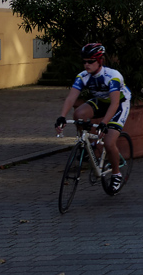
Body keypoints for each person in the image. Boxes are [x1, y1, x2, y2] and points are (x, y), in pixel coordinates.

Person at [55, 43, 132, 193]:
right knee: (79, 114)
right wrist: (61, 116)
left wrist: (104, 123)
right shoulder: (82, 76)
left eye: (90, 61)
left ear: (100, 61)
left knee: (110, 142)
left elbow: (115, 103)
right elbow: (71, 98)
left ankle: (116, 173)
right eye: (84, 61)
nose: (86, 64)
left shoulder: (113, 76)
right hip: (102, 102)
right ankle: (94, 145)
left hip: (119, 104)